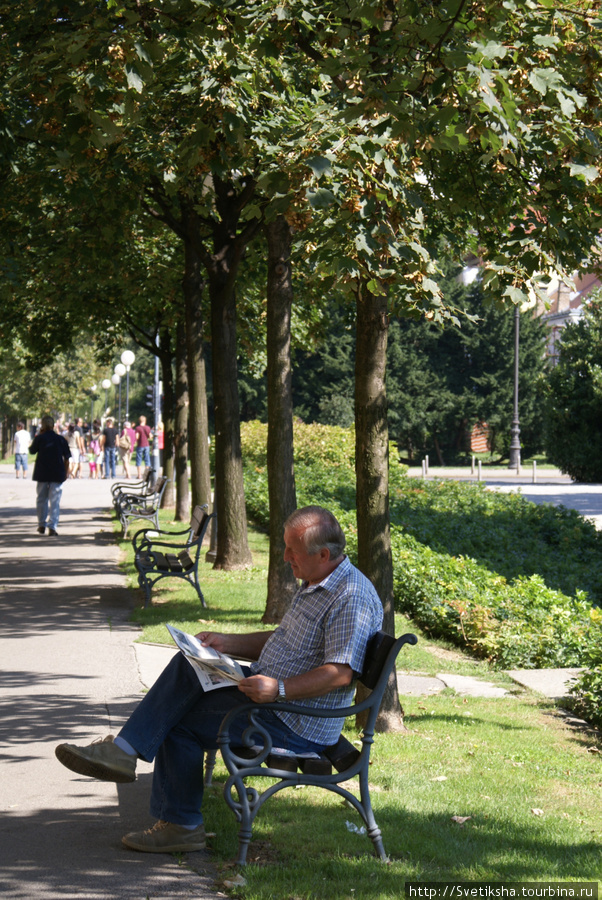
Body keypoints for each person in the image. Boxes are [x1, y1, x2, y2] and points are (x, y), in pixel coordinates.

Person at [55, 505, 383, 853]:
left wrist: (279, 689)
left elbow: (340, 673)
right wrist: (227, 643)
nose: (285, 556)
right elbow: (283, 641)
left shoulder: (350, 596)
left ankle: (180, 824)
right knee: (188, 663)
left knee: (177, 720)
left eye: (292, 550)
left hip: (295, 718)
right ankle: (123, 753)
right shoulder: (318, 581)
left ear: (323, 554)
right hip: (272, 694)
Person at [29, 415, 71, 536]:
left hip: (42, 473)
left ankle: (41, 524)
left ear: (42, 425)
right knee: (55, 501)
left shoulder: (40, 438)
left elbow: (32, 451)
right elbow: (67, 457)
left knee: (41, 499)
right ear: (53, 425)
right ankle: (52, 526)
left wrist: (38, 436)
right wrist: (66, 471)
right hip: (57, 473)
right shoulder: (60, 439)